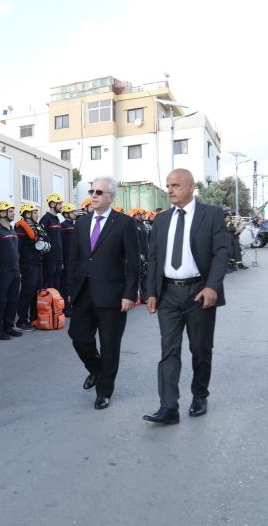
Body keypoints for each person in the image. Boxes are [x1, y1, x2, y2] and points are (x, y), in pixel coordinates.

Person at [143, 169, 231, 425]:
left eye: (175, 185)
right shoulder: (161, 220)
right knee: (168, 350)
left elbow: (222, 252)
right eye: (168, 185)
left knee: (200, 348)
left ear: (191, 187)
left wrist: (213, 286)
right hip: (168, 294)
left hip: (199, 292)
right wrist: (151, 292)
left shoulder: (211, 215)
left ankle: (200, 394)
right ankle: (168, 407)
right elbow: (154, 258)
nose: (169, 190)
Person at [67, 176, 139, 410]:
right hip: (84, 293)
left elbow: (132, 263)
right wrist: (71, 288)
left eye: (99, 192)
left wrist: (130, 293)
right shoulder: (81, 223)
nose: (94, 195)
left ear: (111, 196)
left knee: (109, 345)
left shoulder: (124, 223)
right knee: (79, 337)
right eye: (91, 191)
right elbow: (74, 259)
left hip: (113, 295)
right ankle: (97, 370)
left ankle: (104, 391)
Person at [0, 201, 23, 340]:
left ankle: (8, 327)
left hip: (15, 271)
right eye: (10, 211)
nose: (13, 213)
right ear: (2, 213)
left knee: (13, 300)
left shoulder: (12, 229)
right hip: (3, 272)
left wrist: (18, 270)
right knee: (0, 301)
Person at [15, 202, 43, 330]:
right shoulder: (21, 229)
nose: (37, 215)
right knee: (27, 291)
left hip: (37, 263)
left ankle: (34, 318)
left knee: (36, 291)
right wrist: (19, 268)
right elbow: (17, 250)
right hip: (27, 265)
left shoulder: (36, 227)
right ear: (27, 214)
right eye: (35, 212)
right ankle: (21, 320)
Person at [40, 193, 64, 290]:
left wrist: (61, 260)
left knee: (56, 284)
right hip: (49, 260)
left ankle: (54, 305)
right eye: (59, 204)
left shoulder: (57, 219)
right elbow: (41, 239)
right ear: (52, 204)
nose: (61, 206)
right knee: (47, 284)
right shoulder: (45, 219)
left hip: (58, 259)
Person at [59, 202, 78, 316]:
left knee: (73, 284)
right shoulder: (63, 226)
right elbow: (61, 244)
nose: (74, 213)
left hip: (74, 259)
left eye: (74, 211)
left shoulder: (74, 225)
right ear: (66, 214)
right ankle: (66, 308)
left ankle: (72, 305)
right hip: (66, 259)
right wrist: (62, 261)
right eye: (72, 212)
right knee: (65, 284)